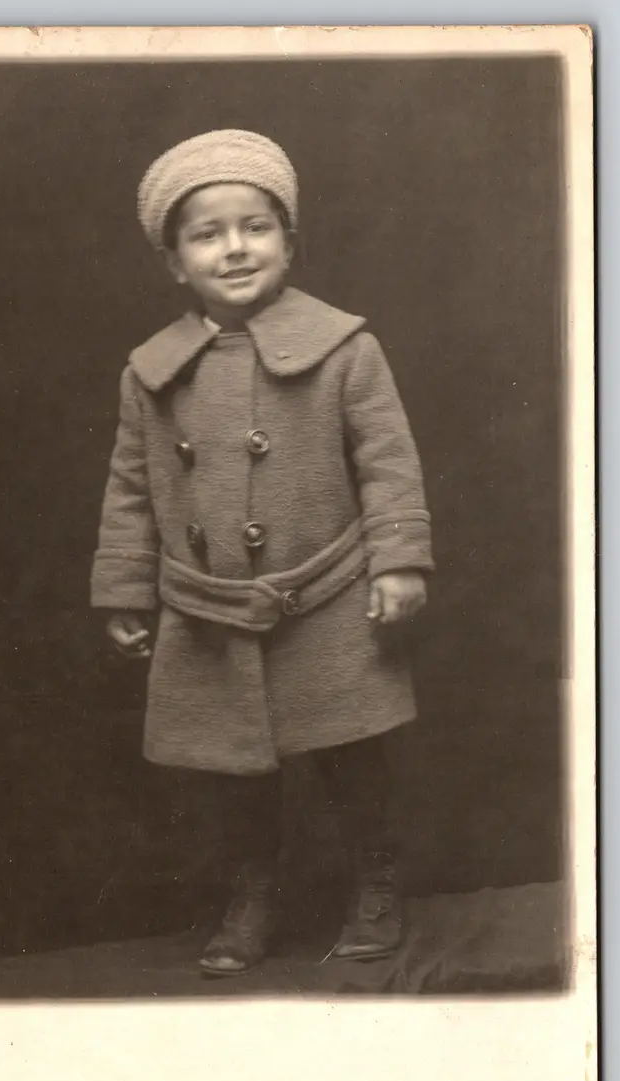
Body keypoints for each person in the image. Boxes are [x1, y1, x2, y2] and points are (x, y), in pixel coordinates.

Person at [91, 129, 433, 976]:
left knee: (353, 754)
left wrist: (398, 560)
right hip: (209, 611)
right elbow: (132, 488)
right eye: (206, 234)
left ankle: (376, 882)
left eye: (255, 227)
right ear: (175, 261)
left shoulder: (346, 348)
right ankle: (252, 894)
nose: (234, 248)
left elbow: (387, 460)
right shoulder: (151, 373)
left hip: (324, 598)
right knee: (233, 773)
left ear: (288, 240)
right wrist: (125, 589)